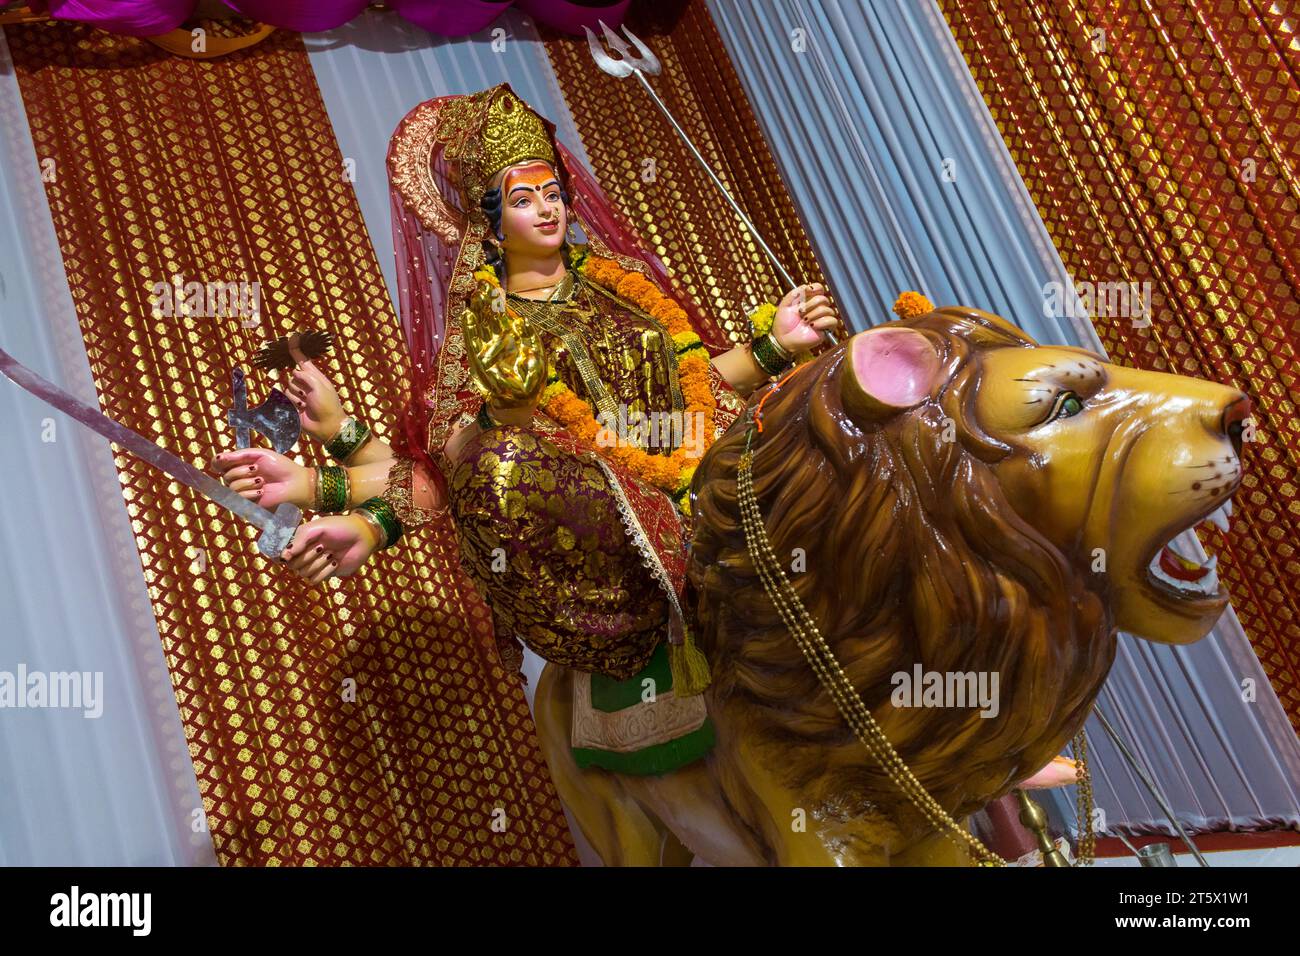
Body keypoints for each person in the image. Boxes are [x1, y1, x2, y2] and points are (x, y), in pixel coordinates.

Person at [210, 84, 838, 696]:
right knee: (501, 466)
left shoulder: (623, 284)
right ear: (489, 223)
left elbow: (693, 386)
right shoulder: (486, 325)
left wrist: (775, 345)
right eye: (523, 199)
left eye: (554, 192)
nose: (548, 209)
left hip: (708, 457)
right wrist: (358, 507)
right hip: (610, 516)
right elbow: (455, 464)